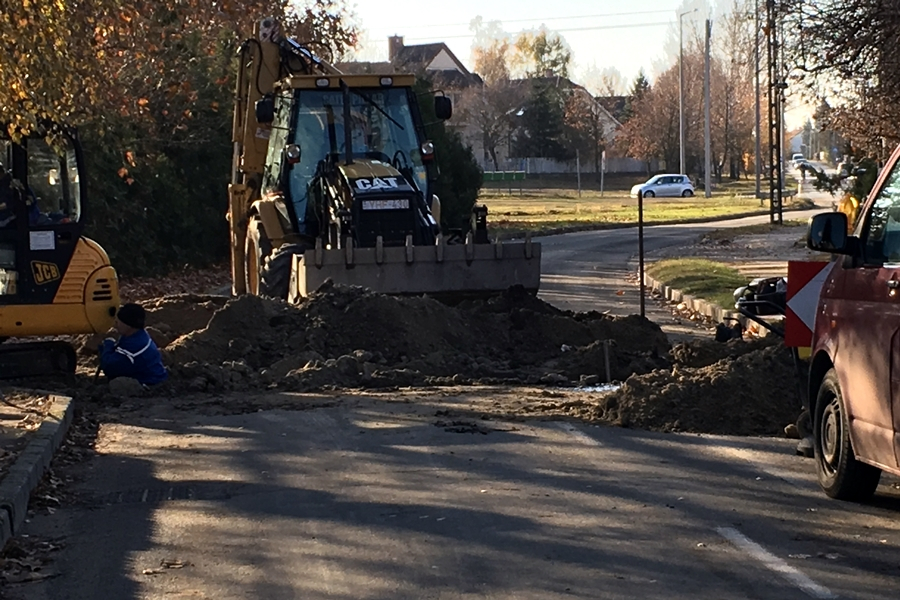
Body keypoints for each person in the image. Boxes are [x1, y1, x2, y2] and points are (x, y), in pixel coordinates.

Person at [98, 303, 168, 385]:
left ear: (129, 325)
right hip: (155, 375)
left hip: (149, 381)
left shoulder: (134, 348)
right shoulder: (139, 335)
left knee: (116, 384)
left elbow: (109, 367)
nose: (115, 325)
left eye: (118, 322)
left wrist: (108, 345)